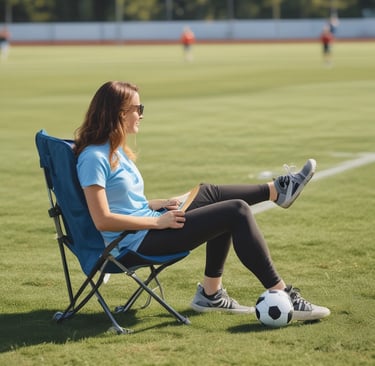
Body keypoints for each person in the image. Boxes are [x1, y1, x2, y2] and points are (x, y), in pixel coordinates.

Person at [74, 81, 330, 322]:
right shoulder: (95, 157)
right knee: (236, 211)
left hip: (145, 226)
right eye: (138, 109)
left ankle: (276, 191)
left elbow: (120, 201)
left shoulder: (114, 149)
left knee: (209, 192)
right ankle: (284, 294)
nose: (141, 114)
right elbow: (103, 219)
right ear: (119, 113)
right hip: (135, 243)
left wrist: (156, 204)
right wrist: (159, 223)